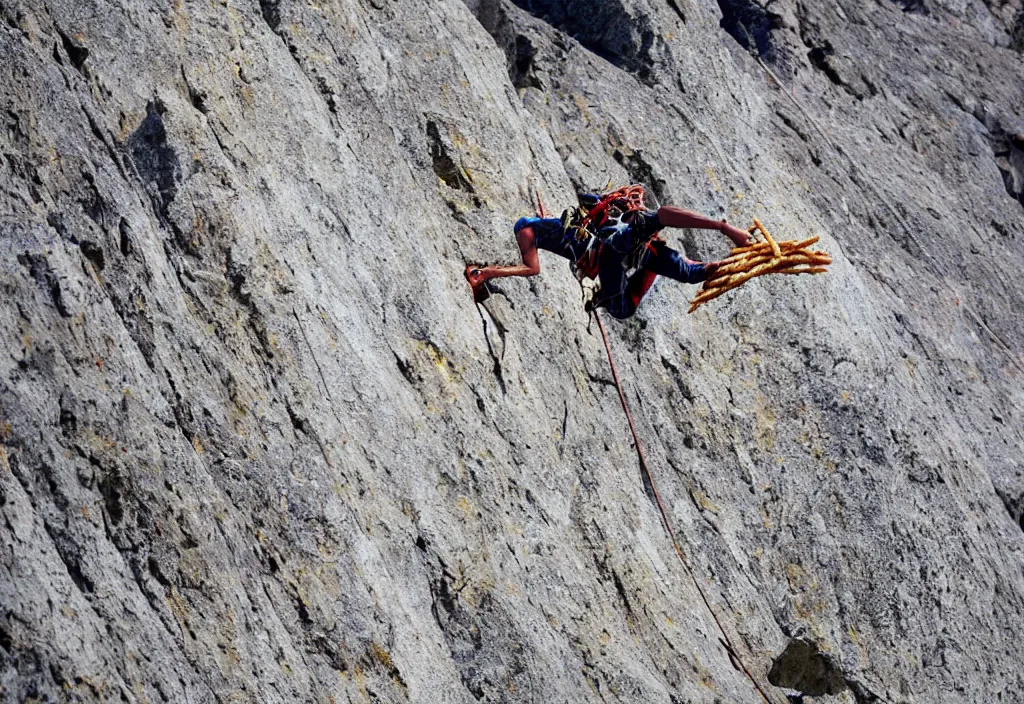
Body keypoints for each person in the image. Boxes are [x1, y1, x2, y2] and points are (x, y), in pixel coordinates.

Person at [465, 190, 754, 319]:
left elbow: (531, 264)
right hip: (617, 274)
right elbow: (533, 266)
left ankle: (715, 264)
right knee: (630, 262)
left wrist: (725, 235)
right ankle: (658, 259)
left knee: (652, 257)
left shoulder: (537, 230)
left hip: (617, 261)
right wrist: (487, 273)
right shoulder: (544, 228)